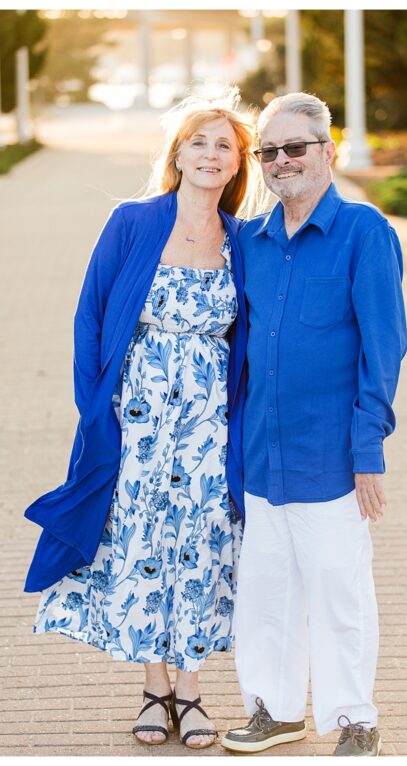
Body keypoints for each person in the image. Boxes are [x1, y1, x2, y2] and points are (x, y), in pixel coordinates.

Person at [24, 95, 257, 748]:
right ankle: (156, 688)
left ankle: (193, 690)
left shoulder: (243, 240)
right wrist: (95, 411)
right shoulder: (131, 222)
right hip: (138, 422)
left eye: (225, 146)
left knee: (203, 547)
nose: (211, 155)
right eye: (200, 142)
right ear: (177, 153)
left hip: (211, 426)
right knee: (144, 543)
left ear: (237, 164)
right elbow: (90, 315)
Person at [220, 93, 407, 757]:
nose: (280, 161)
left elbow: (384, 352)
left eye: (294, 147)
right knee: (266, 592)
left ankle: (356, 719)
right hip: (261, 455)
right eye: (267, 151)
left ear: (327, 151)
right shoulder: (251, 241)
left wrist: (367, 452)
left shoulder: (365, 233)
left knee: (339, 592)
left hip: (329, 457)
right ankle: (275, 710)